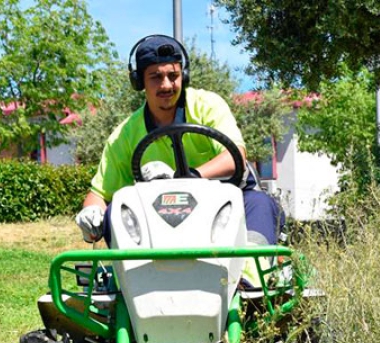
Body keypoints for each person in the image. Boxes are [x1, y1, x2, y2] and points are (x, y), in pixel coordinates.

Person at [75, 34, 284, 248]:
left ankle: (248, 280)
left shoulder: (207, 106)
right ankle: (140, 280)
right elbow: (99, 194)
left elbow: (234, 156)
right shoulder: (124, 135)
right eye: (156, 77)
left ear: (183, 75)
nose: (166, 85)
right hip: (160, 222)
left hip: (224, 208)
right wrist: (91, 213)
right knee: (114, 213)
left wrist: (188, 177)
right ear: (139, 83)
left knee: (260, 204)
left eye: (173, 75)